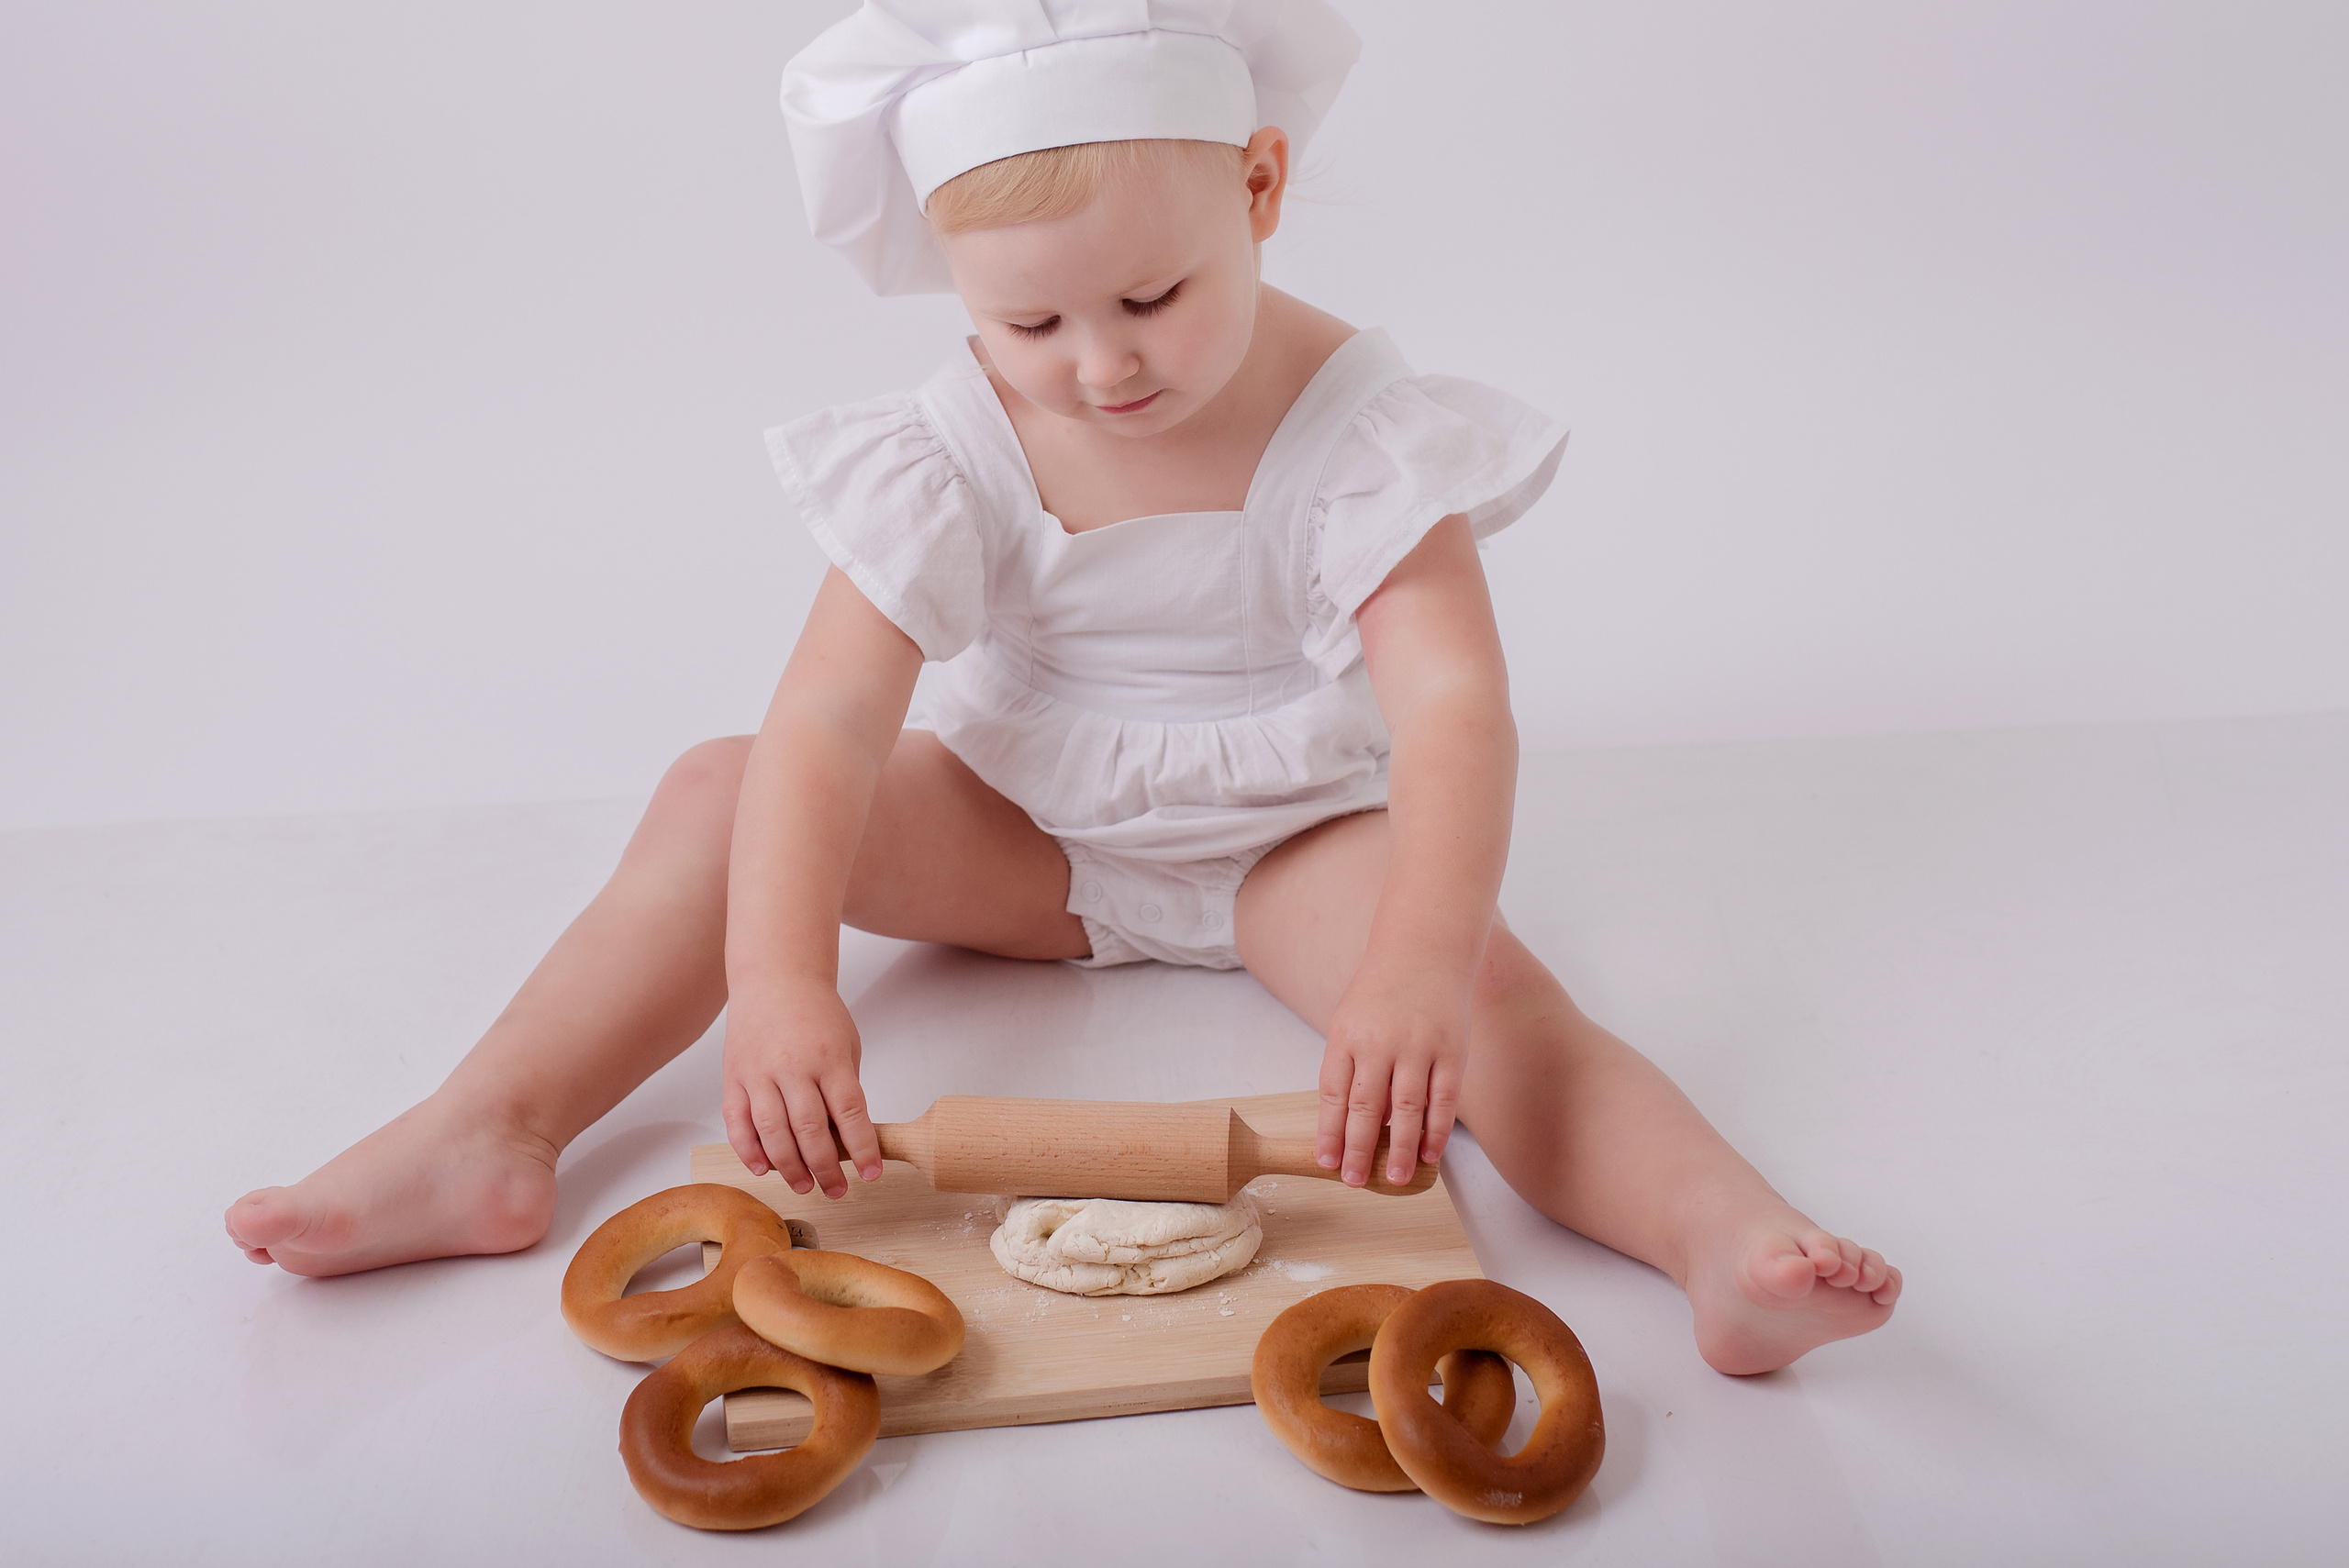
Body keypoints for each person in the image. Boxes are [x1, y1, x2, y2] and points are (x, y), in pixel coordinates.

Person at [225, 0, 1898, 1376]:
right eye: (1029, 321)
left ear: (1258, 186)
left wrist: (1411, 960)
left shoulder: (1368, 431)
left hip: (1292, 850)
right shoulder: (961, 436)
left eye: (1153, 298)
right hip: (1020, 835)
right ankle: (486, 1128)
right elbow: (826, 722)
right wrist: (785, 975)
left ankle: (1718, 1236)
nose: (1103, 365)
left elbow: (1456, 708)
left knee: (1494, 1015)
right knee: (715, 790)